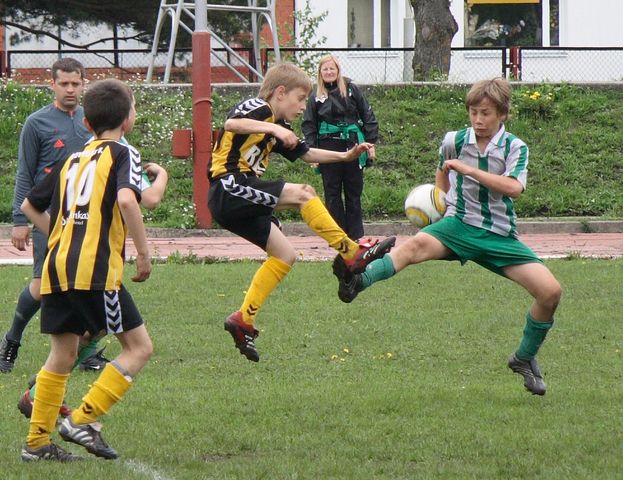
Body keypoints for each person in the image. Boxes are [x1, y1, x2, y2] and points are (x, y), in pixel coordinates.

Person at [335, 78, 562, 396]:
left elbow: (514, 187)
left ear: (502, 114)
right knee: (414, 246)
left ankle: (523, 358)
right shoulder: (454, 141)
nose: (478, 120)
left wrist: (470, 171)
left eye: (485, 113)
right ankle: (357, 280)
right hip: (458, 225)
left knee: (550, 293)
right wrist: (439, 204)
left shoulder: (515, 147)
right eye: (473, 112)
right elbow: (443, 170)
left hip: (498, 235)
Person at [209, 62, 395, 363]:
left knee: (285, 255)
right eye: (299, 99)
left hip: (237, 194)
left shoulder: (277, 126)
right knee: (304, 193)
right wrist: (272, 128)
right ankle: (350, 252)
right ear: (280, 92)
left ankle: (243, 319)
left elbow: (307, 153)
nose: (302, 107)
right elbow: (232, 124)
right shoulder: (260, 108)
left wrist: (346, 155)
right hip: (228, 186)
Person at [20, 78, 154, 462]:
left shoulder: (72, 159)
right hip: (95, 271)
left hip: (56, 267)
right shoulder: (124, 153)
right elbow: (128, 201)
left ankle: (37, 444)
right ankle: (84, 420)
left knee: (62, 355)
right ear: (127, 120)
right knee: (139, 348)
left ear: (86, 122)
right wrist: (143, 253)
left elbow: (30, 205)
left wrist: (63, 235)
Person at [0, 58, 106, 374]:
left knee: (87, 282)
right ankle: (11, 341)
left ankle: (87, 353)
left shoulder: (93, 121)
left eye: (76, 83)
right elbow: (24, 173)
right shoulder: (37, 123)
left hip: (86, 217)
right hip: (47, 216)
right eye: (64, 84)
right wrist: (20, 221)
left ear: (84, 84)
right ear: (53, 85)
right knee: (40, 285)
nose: (70, 89)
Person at [302, 54, 378, 240]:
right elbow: (309, 125)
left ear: (338, 70)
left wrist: (370, 143)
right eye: (325, 69)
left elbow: (368, 115)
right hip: (327, 147)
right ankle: (339, 236)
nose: (329, 72)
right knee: (332, 193)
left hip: (353, 144)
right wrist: (311, 152)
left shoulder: (351, 89)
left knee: (353, 192)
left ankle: (356, 236)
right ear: (320, 72)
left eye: (332, 69)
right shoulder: (315, 96)